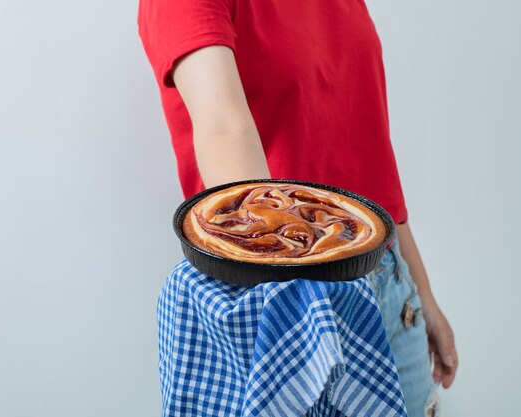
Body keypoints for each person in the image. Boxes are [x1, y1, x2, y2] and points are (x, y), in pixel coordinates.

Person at [137, 1, 458, 416]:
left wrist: (423, 292)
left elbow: (370, 160)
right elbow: (223, 125)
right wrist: (295, 299)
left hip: (391, 290)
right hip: (290, 299)